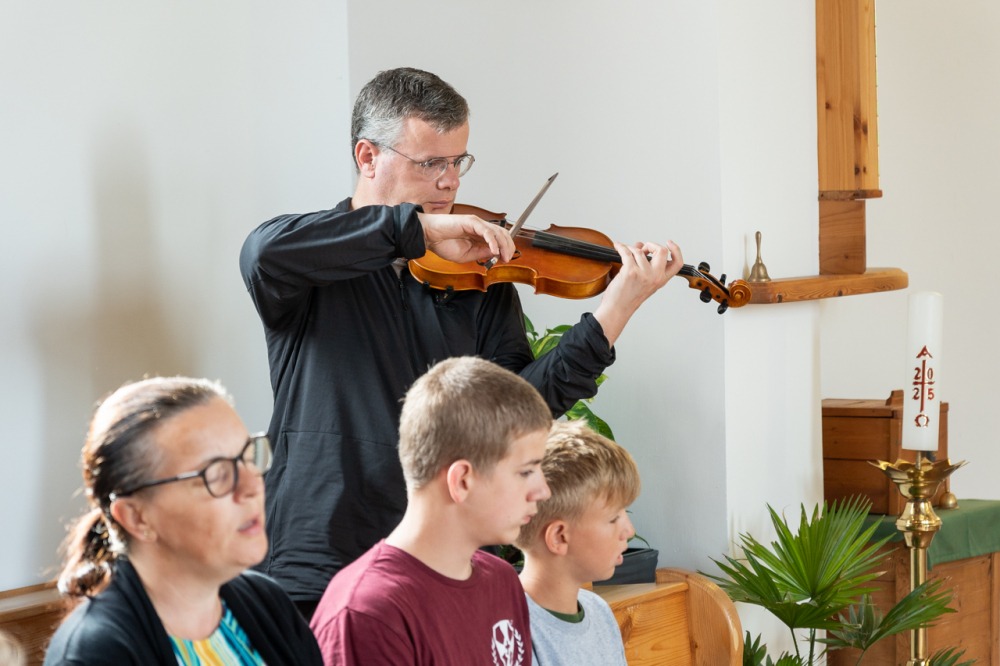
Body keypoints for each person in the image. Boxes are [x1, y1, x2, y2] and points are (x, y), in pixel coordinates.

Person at [239, 66, 683, 614]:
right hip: (320, 559)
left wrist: (616, 310)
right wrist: (416, 230)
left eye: (458, 162)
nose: (450, 183)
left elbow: (521, 409)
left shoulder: (478, 276)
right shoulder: (308, 262)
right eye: (431, 163)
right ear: (368, 157)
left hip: (446, 560)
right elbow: (261, 252)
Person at [44, 377, 322, 666]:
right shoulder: (93, 654)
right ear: (137, 518)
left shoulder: (267, 601)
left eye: (248, 457)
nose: (253, 486)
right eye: (216, 473)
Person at [309, 356, 552, 665]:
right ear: (462, 481)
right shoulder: (368, 613)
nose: (543, 491)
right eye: (526, 471)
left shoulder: (502, 582)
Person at [515, 419, 640, 666]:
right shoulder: (511, 633)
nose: (629, 531)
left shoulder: (598, 610)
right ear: (559, 537)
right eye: (613, 518)